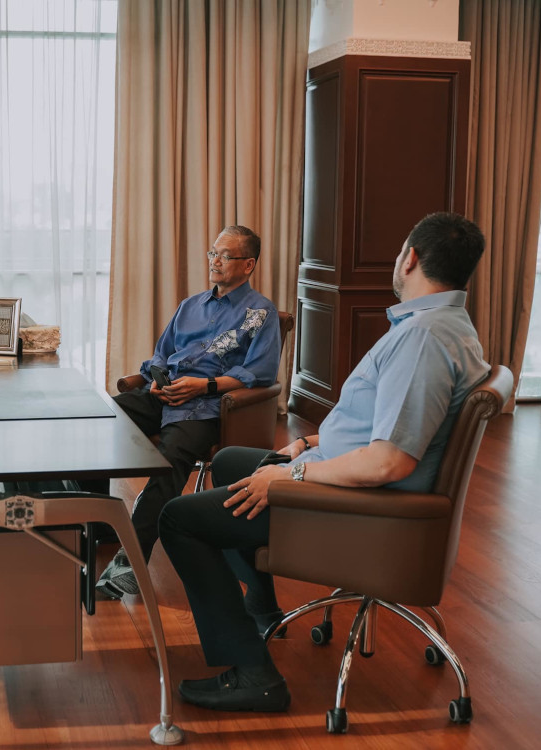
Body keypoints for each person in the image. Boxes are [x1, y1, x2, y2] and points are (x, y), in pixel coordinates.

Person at [158, 211, 490, 713]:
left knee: (180, 520)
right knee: (230, 463)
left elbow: (389, 464)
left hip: (362, 508)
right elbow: (385, 431)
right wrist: (311, 445)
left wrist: (291, 475)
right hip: (351, 483)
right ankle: (263, 609)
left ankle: (254, 673)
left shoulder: (422, 338)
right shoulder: (449, 326)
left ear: (410, 259)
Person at [95, 225, 282, 599]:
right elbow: (161, 354)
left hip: (207, 406)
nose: (215, 261)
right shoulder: (191, 305)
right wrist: (157, 381)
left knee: (168, 462)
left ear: (248, 265)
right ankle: (94, 526)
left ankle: (130, 561)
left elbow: (260, 373)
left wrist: (205, 386)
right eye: (213, 253)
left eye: (225, 255)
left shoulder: (260, 313)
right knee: (99, 421)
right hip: (166, 394)